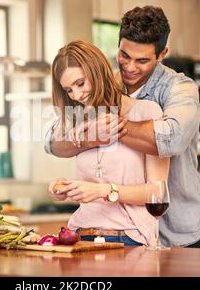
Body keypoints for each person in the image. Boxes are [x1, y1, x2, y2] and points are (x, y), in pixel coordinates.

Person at [45, 6, 200, 248]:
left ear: (162, 53)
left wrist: (109, 127)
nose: (130, 67)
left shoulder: (179, 88)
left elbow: (171, 139)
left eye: (142, 60)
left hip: (181, 229)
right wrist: (86, 137)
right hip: (127, 233)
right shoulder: (100, 88)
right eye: (124, 55)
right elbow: (51, 140)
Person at [48, 40, 170, 247]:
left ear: (97, 71)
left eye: (80, 84)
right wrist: (66, 188)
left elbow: (157, 192)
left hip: (130, 237)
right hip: (81, 236)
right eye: (68, 90)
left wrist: (104, 190)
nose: (76, 96)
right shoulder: (80, 121)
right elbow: (53, 143)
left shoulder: (146, 112)